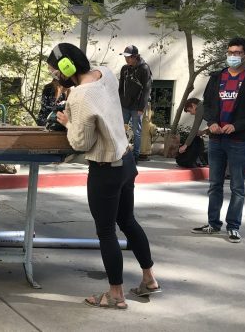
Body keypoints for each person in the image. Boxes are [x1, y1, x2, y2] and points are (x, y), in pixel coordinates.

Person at [49, 43, 160, 310]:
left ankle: (116, 294)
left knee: (106, 233)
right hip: (126, 161)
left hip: (105, 169)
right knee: (128, 221)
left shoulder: (79, 96)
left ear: (67, 68)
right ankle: (149, 279)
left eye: (55, 70)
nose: (55, 75)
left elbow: (81, 142)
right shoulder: (106, 73)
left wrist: (67, 123)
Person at [192, 37, 245, 243]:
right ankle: (213, 224)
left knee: (237, 186)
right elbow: (206, 105)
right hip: (216, 139)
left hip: (239, 141)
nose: (233, 56)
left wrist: (237, 125)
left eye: (238, 53)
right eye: (230, 52)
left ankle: (233, 226)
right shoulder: (217, 77)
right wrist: (212, 122)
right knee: (214, 184)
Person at [118, 45, 152, 162]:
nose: (126, 59)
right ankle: (121, 152)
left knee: (136, 131)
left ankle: (135, 156)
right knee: (121, 129)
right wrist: (120, 101)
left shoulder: (144, 68)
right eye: (125, 57)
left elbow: (147, 89)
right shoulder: (125, 69)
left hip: (137, 106)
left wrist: (141, 107)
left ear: (135, 57)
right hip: (124, 105)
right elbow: (120, 86)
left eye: (128, 57)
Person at [176, 98, 208, 168]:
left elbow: (195, 128)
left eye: (189, 110)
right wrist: (204, 132)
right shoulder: (204, 106)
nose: (191, 113)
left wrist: (185, 145)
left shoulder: (200, 107)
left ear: (193, 105)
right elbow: (214, 124)